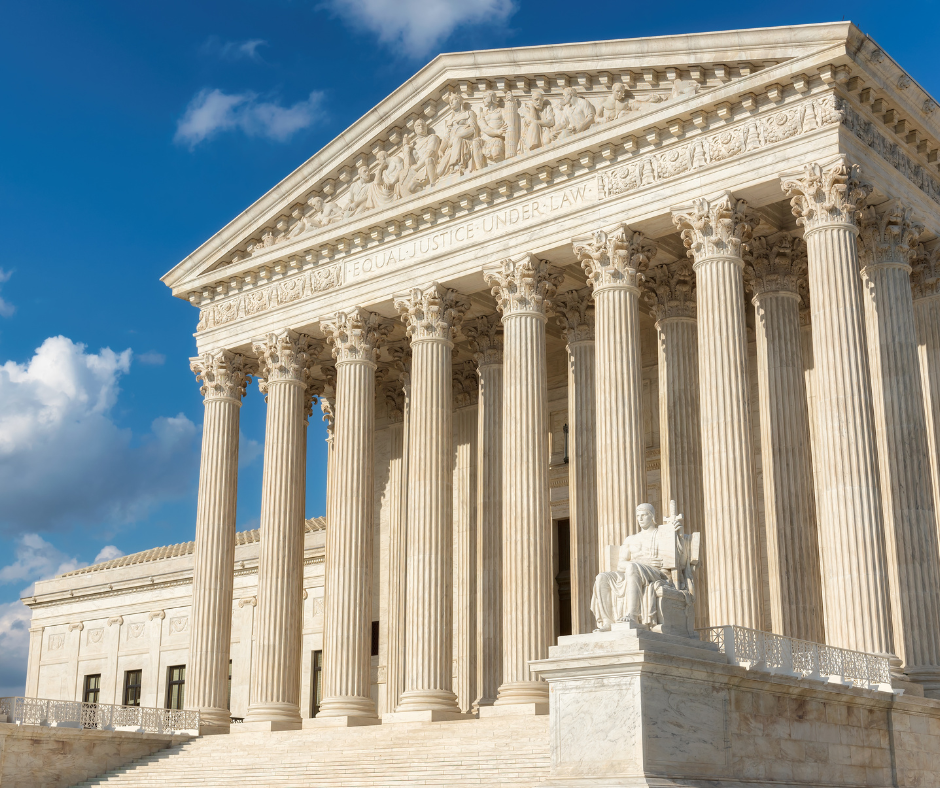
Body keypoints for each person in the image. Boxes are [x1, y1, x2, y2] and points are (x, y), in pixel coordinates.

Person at [590, 503, 687, 631]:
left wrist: (679, 536)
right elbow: (620, 564)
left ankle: (633, 616)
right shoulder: (630, 539)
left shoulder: (662, 534)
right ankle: (607, 621)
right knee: (602, 577)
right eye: (638, 516)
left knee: (632, 567)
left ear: (652, 517)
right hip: (634, 571)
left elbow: (681, 561)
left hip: (657, 574)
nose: (640, 519)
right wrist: (642, 561)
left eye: (644, 515)